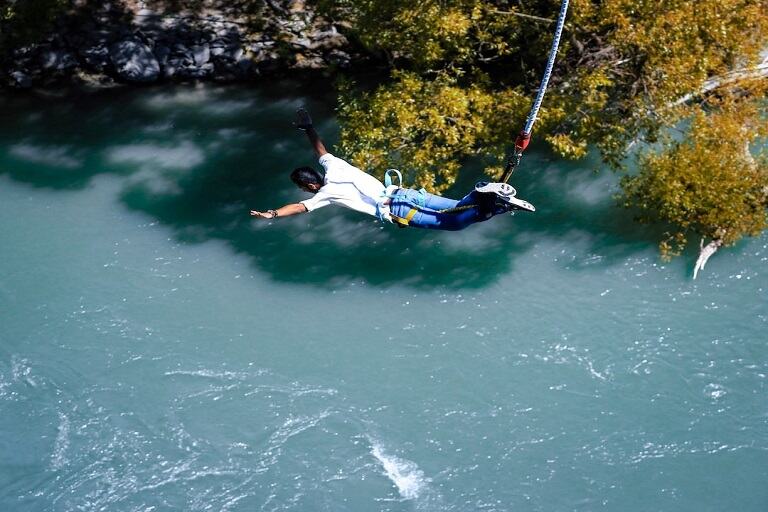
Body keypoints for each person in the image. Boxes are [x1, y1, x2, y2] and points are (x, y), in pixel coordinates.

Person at [249, 108, 534, 230]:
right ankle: (494, 200)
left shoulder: (326, 194)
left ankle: (492, 201)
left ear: (310, 186)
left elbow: (300, 208)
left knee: (455, 222)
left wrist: (272, 213)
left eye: (303, 189)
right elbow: (320, 149)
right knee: (460, 207)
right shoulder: (334, 166)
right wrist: (308, 126)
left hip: (398, 210)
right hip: (404, 193)